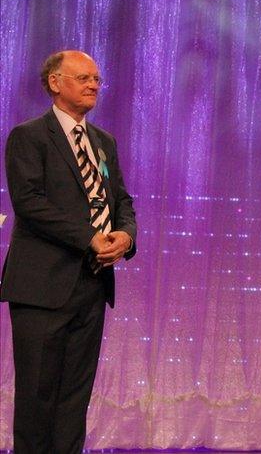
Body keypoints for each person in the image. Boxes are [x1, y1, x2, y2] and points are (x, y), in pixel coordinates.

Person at [1, 50, 137, 452]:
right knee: (37, 397)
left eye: (97, 79)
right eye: (84, 78)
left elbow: (121, 200)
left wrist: (125, 236)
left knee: (74, 399)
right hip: (42, 288)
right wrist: (88, 237)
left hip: (91, 286)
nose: (94, 85)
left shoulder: (103, 142)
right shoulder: (29, 136)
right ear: (56, 82)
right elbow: (30, 203)